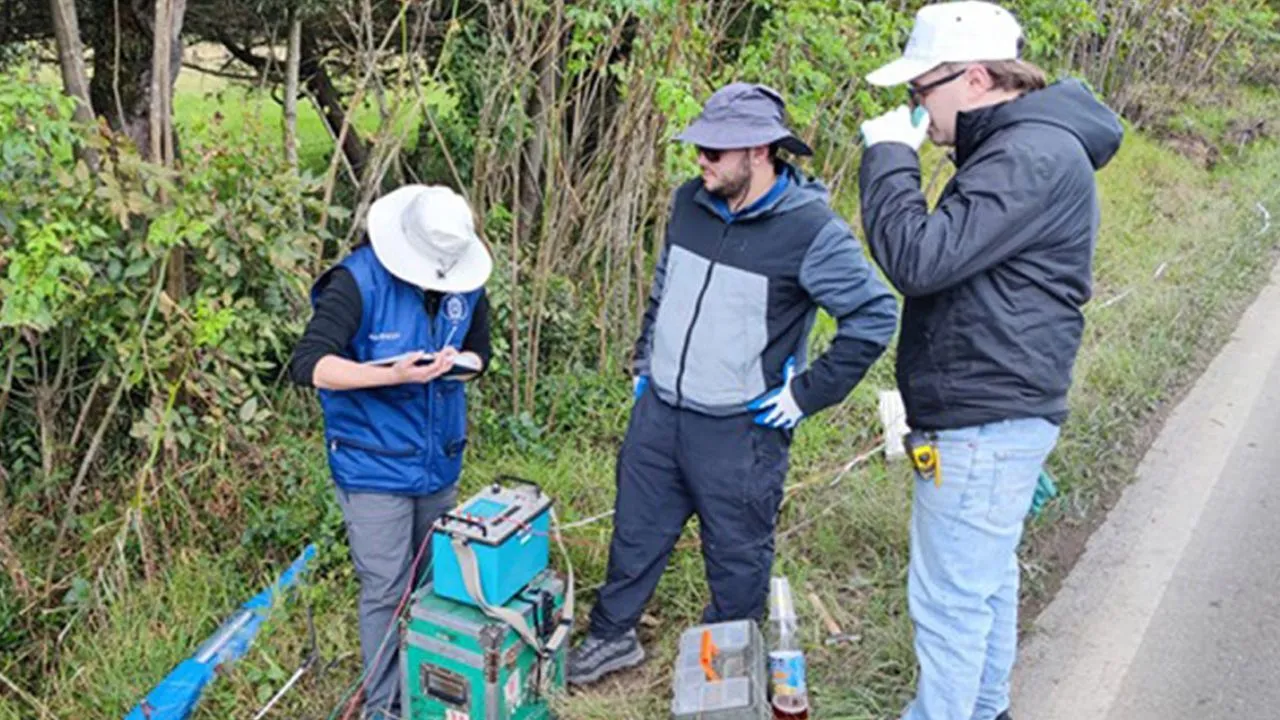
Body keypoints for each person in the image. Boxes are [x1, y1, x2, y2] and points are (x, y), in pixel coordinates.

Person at [567, 82, 899, 686]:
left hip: (740, 433)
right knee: (635, 534)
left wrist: (804, 395)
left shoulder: (809, 231)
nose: (701, 161)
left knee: (737, 557)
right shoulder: (689, 203)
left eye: (714, 152)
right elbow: (665, 288)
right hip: (661, 414)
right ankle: (612, 638)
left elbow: (875, 316)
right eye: (700, 148)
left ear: (760, 151)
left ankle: (726, 675)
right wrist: (646, 363)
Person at [857, 3, 1124, 719]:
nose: (917, 108)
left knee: (947, 606)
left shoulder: (1027, 155)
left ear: (975, 78)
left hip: (985, 417)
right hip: (995, 409)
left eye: (922, 91)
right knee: (982, 587)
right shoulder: (1019, 148)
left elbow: (919, 257)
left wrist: (888, 159)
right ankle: (986, 710)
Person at [289, 184, 493, 718]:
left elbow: (482, 351)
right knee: (386, 587)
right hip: (372, 464)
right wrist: (390, 373)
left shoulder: (466, 283)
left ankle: (430, 690)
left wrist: (458, 362)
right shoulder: (356, 283)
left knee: (433, 583)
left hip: (439, 458)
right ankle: (386, 706)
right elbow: (309, 365)